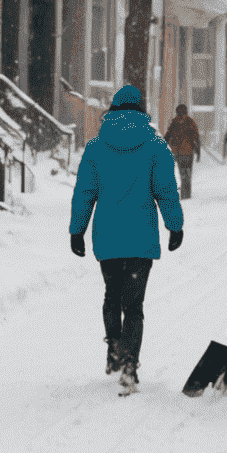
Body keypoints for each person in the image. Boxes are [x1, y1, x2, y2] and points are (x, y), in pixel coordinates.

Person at [70, 84, 184, 394]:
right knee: (133, 304)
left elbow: (85, 193)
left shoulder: (96, 148)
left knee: (111, 294)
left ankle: (114, 348)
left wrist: (76, 230)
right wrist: (175, 225)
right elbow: (166, 191)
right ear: (141, 110)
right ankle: (130, 363)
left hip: (107, 237)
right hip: (140, 239)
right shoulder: (155, 147)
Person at [164, 103, 201, 200]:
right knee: (188, 172)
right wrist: (198, 152)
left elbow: (167, 135)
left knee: (182, 172)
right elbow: (196, 137)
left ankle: (184, 193)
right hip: (188, 152)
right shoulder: (190, 121)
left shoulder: (174, 122)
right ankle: (187, 193)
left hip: (178, 152)